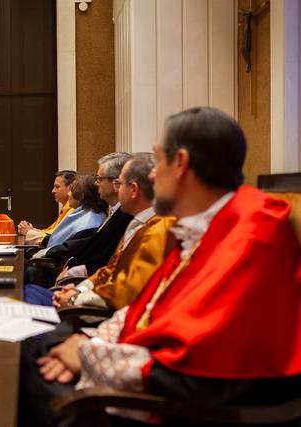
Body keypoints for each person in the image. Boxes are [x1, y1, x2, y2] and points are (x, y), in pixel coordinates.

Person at [21, 107, 301, 426]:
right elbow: (151, 308)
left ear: (180, 163)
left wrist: (86, 355)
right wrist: (86, 342)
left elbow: (200, 368)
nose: (151, 176)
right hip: (147, 380)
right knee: (31, 348)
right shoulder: (205, 226)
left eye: (159, 161)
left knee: (26, 358)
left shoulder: (251, 234)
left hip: (171, 407)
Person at [25, 154, 174, 309]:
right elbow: (110, 269)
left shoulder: (155, 231)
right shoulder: (137, 222)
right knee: (27, 293)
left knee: (26, 297)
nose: (116, 189)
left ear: (134, 189)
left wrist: (75, 299)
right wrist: (80, 289)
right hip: (89, 295)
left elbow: (125, 291)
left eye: (119, 184)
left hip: (98, 311)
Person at [44, 174, 107, 248]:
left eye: (71, 191)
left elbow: (64, 249)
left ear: (81, 195)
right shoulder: (86, 214)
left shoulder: (89, 223)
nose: (68, 194)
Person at [18, 170, 77, 246]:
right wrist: (31, 230)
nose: (53, 191)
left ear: (70, 188)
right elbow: (50, 232)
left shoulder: (73, 210)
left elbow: (54, 239)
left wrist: (29, 232)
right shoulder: (66, 208)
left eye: (57, 187)